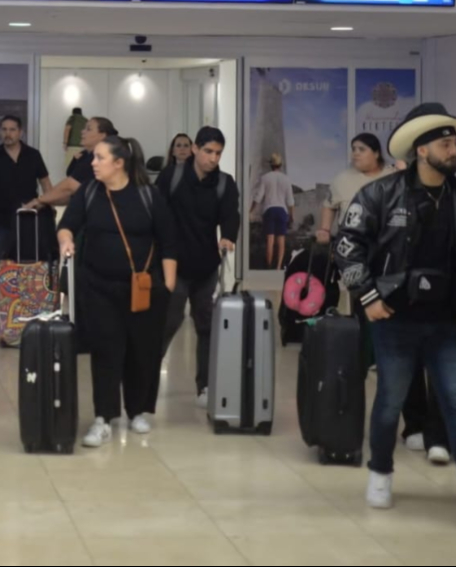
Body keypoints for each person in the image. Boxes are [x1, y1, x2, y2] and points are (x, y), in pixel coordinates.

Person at [334, 103, 456, 531]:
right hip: (394, 319)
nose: (454, 148)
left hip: (448, 322)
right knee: (390, 402)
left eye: (455, 141)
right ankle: (381, 471)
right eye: (445, 143)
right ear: (422, 150)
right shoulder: (379, 195)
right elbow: (347, 245)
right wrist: (367, 294)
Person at [321, 138, 450, 463]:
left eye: (361, 149)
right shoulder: (346, 181)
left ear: (378, 153)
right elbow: (338, 220)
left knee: (413, 356)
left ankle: (417, 424)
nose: (354, 154)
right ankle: (348, 423)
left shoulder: (399, 180)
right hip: (368, 279)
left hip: (406, 280)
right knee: (369, 350)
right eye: (352, 149)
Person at [58, 136, 179, 448]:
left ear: (118, 163)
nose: (93, 163)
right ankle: (103, 417)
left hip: (144, 288)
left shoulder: (148, 196)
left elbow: (169, 241)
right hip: (98, 287)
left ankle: (138, 410)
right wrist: (65, 240)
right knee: (105, 350)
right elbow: (68, 223)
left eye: (99, 158)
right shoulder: (89, 192)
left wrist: (167, 285)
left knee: (143, 351)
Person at [155, 127, 240, 409]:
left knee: (207, 326)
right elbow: (157, 212)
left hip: (206, 267)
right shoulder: (172, 176)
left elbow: (231, 216)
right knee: (168, 321)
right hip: (173, 265)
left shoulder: (225, 184)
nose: (213, 158)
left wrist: (228, 236)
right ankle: (147, 377)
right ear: (194, 149)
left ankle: (205, 385)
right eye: (208, 152)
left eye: (218, 153)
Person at [0, 116, 52, 260]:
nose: (8, 134)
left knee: (29, 261)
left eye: (12, 130)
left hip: (29, 218)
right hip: (3, 219)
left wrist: (50, 203)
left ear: (20, 132)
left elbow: (45, 182)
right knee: (4, 263)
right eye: (4, 130)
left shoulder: (33, 155)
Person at [27, 116, 118, 211]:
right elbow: (70, 195)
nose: (82, 131)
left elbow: (69, 186)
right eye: (84, 128)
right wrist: (46, 201)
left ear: (103, 135)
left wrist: (39, 200)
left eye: (89, 129)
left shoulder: (100, 157)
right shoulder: (85, 155)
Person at [251, 153, 294, 270]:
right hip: (282, 211)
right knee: (281, 241)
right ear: (280, 165)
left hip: (269, 210)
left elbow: (258, 197)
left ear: (271, 165)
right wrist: (291, 216)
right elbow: (290, 201)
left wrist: (250, 210)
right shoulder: (286, 179)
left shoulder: (265, 177)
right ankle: (279, 267)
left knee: (270, 241)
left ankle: (269, 266)